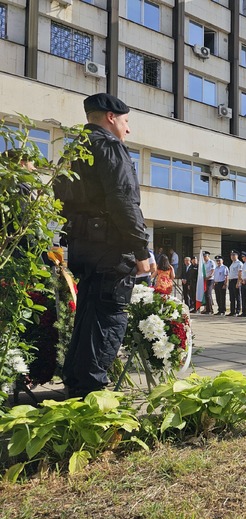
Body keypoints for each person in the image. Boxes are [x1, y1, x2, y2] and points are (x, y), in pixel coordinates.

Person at [54, 93, 150, 397]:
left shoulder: (73, 151)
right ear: (111, 117)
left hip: (84, 247)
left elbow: (60, 201)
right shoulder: (110, 147)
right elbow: (124, 201)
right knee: (107, 320)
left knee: (87, 320)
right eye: (125, 121)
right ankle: (91, 399)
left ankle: (75, 388)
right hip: (111, 248)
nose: (128, 129)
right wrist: (142, 251)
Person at [227, 250, 242, 316]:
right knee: (231, 297)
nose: (232, 256)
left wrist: (238, 282)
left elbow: (240, 273)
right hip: (231, 281)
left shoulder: (239, 263)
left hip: (236, 280)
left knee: (237, 297)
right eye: (231, 255)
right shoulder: (232, 264)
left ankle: (237, 311)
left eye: (234, 255)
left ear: (237, 256)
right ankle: (232, 311)